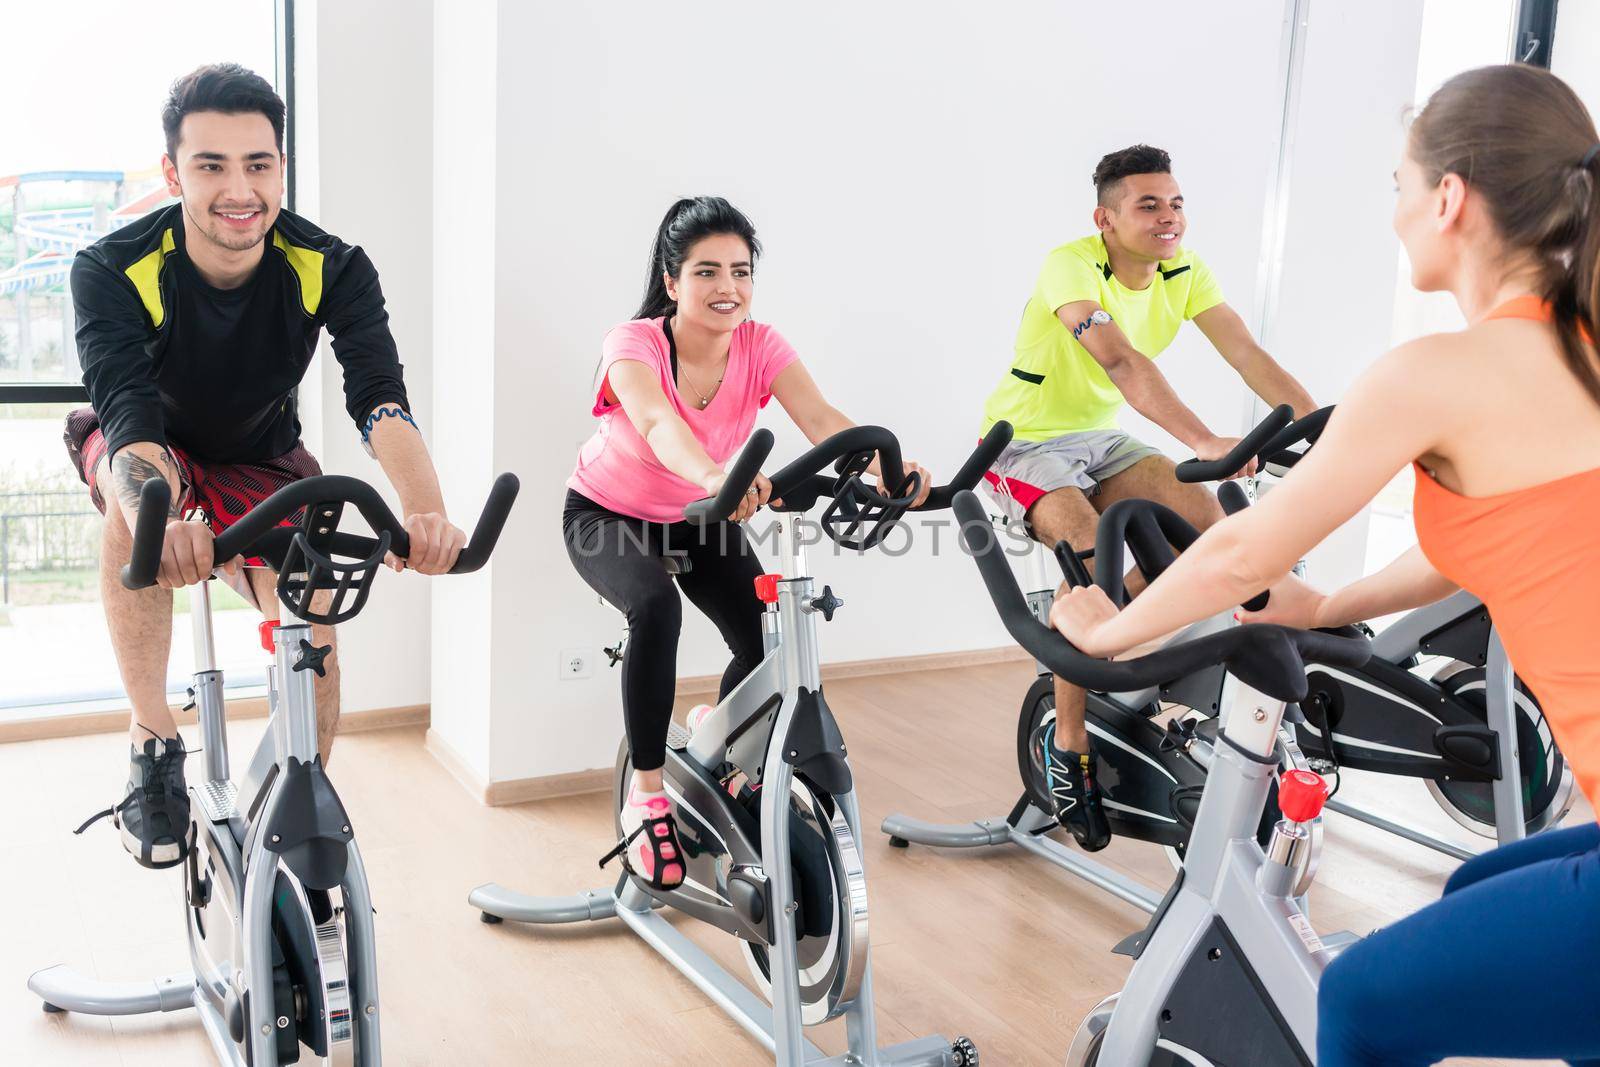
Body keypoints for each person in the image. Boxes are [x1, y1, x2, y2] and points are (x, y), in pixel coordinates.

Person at [1049, 65, 1600, 1067]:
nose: (1392, 213)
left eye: (1397, 184)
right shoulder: (1578, 348)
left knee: (1361, 1000)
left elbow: (1243, 548)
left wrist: (1103, 633)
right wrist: (1332, 600)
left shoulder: (1435, 373)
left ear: (1447, 198)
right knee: (1480, 891)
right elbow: (1482, 538)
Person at [67, 64, 465, 870]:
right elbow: (131, 422)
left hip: (262, 454)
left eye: (259, 163)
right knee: (130, 498)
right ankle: (153, 740)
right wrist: (159, 518)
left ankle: (297, 788)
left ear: (282, 166)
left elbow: (380, 401)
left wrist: (424, 510)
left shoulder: (332, 264)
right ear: (175, 172)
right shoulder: (113, 267)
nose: (239, 188)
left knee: (314, 604)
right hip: (152, 451)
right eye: (211, 165)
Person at [565, 196, 932, 889]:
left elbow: (821, 416)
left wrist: (893, 468)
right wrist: (717, 473)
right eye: (707, 272)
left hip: (705, 512)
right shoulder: (634, 342)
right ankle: (646, 799)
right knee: (656, 608)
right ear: (671, 282)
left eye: (741, 271)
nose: (727, 287)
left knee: (767, 640)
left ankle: (714, 738)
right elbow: (654, 422)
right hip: (607, 511)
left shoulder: (761, 345)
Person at [980, 144, 1316, 850]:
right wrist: (1201, 440)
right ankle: (1067, 746)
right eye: (1148, 205)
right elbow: (1122, 360)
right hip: (1024, 444)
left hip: (1103, 439)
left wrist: (1325, 429)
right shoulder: (1069, 265)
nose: (1169, 219)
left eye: (1176, 203)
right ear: (1105, 218)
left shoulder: (1185, 270)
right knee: (1085, 551)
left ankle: (1108, 623)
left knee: (1212, 530)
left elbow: (1248, 355)